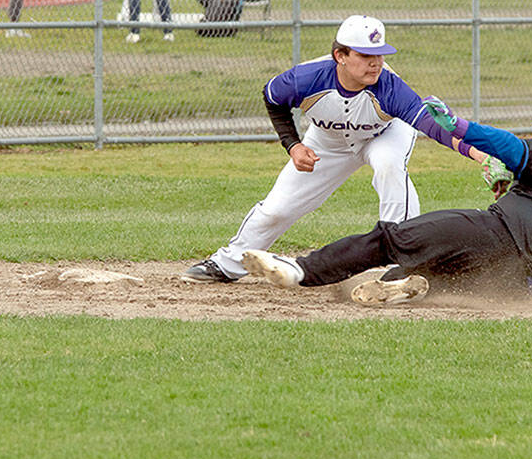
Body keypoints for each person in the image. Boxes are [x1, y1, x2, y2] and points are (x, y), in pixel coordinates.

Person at [242, 101, 532, 311]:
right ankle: (407, 288)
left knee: (393, 237)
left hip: (495, 234)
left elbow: (510, 147)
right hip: (523, 286)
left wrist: (461, 126)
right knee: (440, 280)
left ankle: (302, 270)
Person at [181, 15, 492, 283]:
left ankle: (405, 263)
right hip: (327, 140)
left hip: (384, 134)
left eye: (380, 54)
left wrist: (479, 155)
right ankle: (227, 263)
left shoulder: (390, 87)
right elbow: (273, 99)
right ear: (340, 55)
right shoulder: (305, 79)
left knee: (388, 167)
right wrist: (294, 145)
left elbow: (433, 126)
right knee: (278, 207)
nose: (376, 63)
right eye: (365, 55)